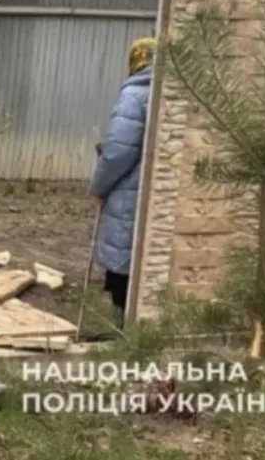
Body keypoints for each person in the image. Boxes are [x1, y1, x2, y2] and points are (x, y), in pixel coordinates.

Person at [88, 36, 155, 329]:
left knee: (124, 257)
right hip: (154, 189)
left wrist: (99, 187)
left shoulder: (135, 95)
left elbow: (117, 153)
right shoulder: (172, 91)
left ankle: (122, 327)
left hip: (130, 190)